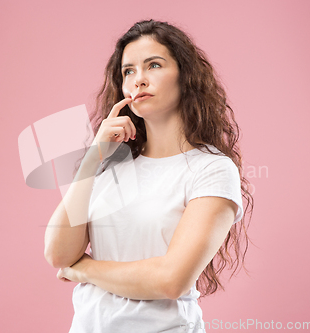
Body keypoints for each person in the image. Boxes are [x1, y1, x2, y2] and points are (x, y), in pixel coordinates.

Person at [44, 19, 254, 333]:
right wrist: (92, 159)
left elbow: (170, 280)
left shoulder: (211, 169)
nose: (138, 79)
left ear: (185, 76)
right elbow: (59, 253)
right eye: (128, 71)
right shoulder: (110, 168)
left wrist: (84, 270)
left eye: (153, 65)